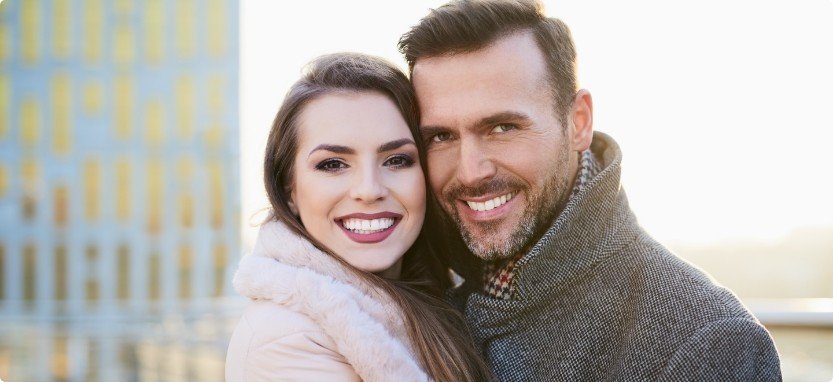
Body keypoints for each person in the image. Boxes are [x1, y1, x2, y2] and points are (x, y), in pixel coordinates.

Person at [398, 0, 782, 380]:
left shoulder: (704, 341)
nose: (470, 172)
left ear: (579, 122)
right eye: (442, 136)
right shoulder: (408, 279)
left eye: (503, 128)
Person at [225, 53, 491, 381]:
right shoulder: (286, 341)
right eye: (333, 164)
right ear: (289, 188)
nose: (369, 190)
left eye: (396, 160)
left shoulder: (440, 301)